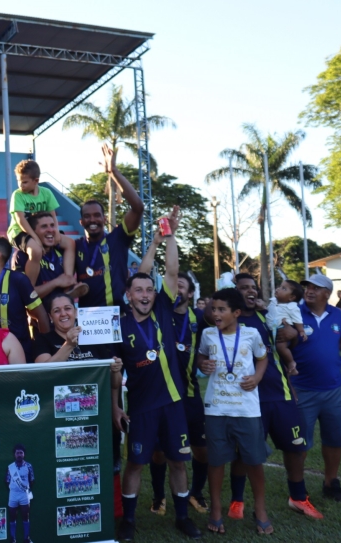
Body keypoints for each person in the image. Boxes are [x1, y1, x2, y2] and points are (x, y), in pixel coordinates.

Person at [113, 214, 202, 541]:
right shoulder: (119, 324)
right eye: (139, 290)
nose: (146, 294)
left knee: (179, 462)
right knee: (135, 464)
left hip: (174, 403)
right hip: (141, 407)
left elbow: (172, 270)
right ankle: (130, 521)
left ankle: (181, 517)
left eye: (150, 289)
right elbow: (111, 369)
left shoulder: (165, 308)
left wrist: (169, 237)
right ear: (129, 294)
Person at [224, 274, 317, 518]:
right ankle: (237, 501)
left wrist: (292, 334)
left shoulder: (268, 317)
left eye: (253, 287)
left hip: (280, 393)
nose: (250, 291)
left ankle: (298, 497)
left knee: (295, 448)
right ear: (235, 294)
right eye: (244, 288)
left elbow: (287, 342)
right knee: (245, 453)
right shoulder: (227, 321)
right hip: (247, 398)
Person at [137, 232, 210, 516]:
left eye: (183, 287)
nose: (177, 289)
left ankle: (197, 492)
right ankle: (158, 496)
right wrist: (158, 242)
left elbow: (212, 343)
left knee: (200, 450)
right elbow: (146, 274)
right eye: (174, 284)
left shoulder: (200, 319)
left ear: (191, 294)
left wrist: (204, 360)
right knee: (159, 453)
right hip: (160, 396)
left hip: (190, 395)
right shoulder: (158, 310)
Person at [197, 288, 270, 534]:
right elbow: (201, 358)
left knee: (254, 461)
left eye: (221, 310)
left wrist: (258, 377)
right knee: (216, 462)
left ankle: (260, 509)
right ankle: (216, 509)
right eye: (213, 309)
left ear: (236, 313)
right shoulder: (208, 334)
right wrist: (203, 364)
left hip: (247, 409)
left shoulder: (251, 334)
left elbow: (263, 357)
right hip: (216, 409)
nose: (215, 313)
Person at [290, 273, 341, 502]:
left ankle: (331, 483)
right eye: (307, 286)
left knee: (335, 439)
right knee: (300, 443)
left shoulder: (337, 314)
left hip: (333, 390)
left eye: (315, 288)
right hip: (302, 389)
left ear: (326, 293)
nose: (309, 290)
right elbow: (281, 350)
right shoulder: (293, 313)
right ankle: (298, 489)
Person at [76, 145, 144, 308]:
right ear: (81, 222)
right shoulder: (75, 246)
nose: (93, 220)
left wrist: (114, 171)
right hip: (88, 320)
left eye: (97, 215)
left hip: (118, 316)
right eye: (87, 216)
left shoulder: (118, 239)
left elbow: (138, 207)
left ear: (104, 219)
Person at [7, 160, 59, 269]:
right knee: (36, 251)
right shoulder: (18, 195)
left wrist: (56, 232)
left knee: (69, 244)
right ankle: (31, 285)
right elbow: (20, 220)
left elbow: (53, 215)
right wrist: (36, 239)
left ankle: (68, 278)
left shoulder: (46, 193)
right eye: (18, 181)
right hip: (19, 232)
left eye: (24, 182)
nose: (20, 185)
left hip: (39, 231)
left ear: (36, 181)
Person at [270, 279, 306, 376]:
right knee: (276, 350)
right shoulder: (273, 302)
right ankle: (285, 367)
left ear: (291, 297)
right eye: (280, 287)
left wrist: (301, 331)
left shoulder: (292, 307)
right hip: (272, 330)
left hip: (283, 329)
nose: (279, 289)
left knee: (280, 347)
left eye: (284, 289)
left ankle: (291, 363)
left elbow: (297, 320)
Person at [6, 444, 34, 543]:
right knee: (12, 516)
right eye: (17, 453)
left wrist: (25, 489)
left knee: (25, 516)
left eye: (21, 453)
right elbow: (7, 481)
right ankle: (13, 539)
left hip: (24, 494)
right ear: (14, 454)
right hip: (13, 494)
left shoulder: (29, 466)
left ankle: (27, 538)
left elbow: (32, 480)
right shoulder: (10, 467)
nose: (19, 455)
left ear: (24, 454)